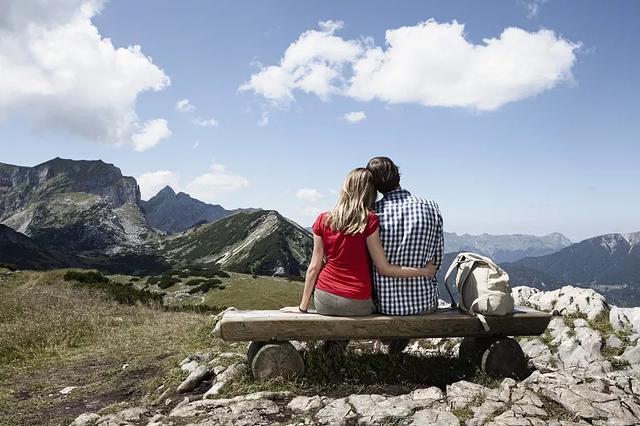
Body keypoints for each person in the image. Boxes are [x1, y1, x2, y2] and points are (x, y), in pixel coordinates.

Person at [281, 168, 436, 317]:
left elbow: (314, 267)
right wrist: (424, 271)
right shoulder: (369, 220)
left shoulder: (323, 219)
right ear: (370, 192)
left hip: (324, 301)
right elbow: (384, 269)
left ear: (345, 188)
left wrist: (302, 307)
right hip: (357, 302)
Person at [366, 156, 444, 353]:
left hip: (383, 304)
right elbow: (437, 259)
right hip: (424, 302)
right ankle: (395, 354)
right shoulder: (430, 206)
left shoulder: (372, 213)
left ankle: (390, 354)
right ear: (398, 175)